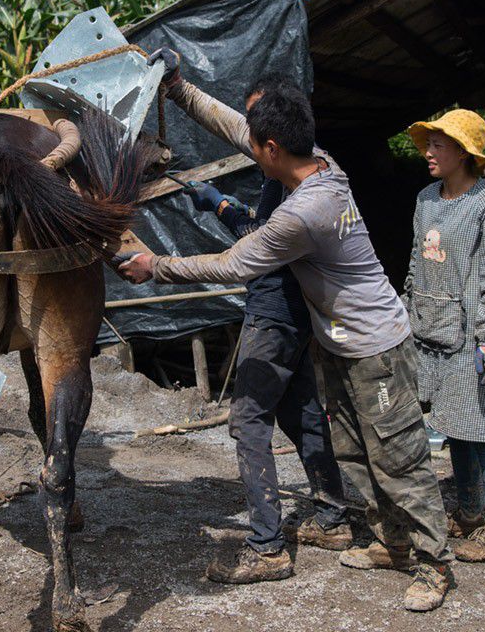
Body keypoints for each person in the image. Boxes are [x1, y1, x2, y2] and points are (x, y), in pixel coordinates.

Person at [118, 83, 454, 612]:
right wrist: (178, 88)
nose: (248, 148)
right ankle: (392, 543)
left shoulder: (304, 212)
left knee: (398, 455)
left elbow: (234, 264)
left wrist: (155, 266)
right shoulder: (320, 162)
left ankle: (434, 564)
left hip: (375, 346)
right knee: (353, 450)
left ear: (272, 149)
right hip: (337, 342)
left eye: (255, 145)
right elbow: (234, 125)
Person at [146, 48, 350, 584]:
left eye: (255, 126)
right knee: (301, 411)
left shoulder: (300, 191)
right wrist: (218, 204)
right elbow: (256, 223)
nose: (247, 133)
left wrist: (157, 265)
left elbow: (240, 261)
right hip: (295, 313)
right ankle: (333, 516)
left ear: (276, 136)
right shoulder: (302, 167)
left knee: (248, 419)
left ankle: (266, 546)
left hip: (275, 314)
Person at [405, 110, 485, 562]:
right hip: (430, 333)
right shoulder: (426, 199)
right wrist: (406, 310)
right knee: (454, 429)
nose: (429, 151)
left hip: (474, 338)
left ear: (464, 153)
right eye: (428, 142)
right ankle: (469, 513)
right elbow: (416, 263)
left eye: (439, 144)